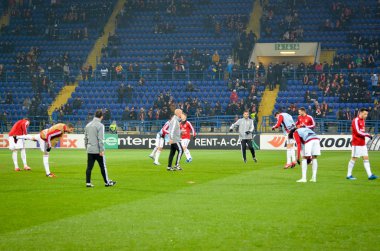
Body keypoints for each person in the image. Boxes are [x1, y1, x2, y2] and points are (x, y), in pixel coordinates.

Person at [84, 110, 116, 187]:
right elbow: (100, 139)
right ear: (101, 116)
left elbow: (85, 138)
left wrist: (87, 148)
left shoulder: (87, 125)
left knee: (89, 167)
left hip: (90, 149)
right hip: (98, 150)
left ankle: (88, 183)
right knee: (103, 167)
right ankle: (107, 182)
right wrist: (101, 150)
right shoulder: (100, 126)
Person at [346, 108, 377, 180]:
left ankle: (370, 175)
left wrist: (366, 135)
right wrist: (367, 134)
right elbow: (357, 132)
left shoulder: (363, 120)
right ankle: (348, 175)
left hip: (362, 143)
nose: (366, 116)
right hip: (357, 143)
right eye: (365, 114)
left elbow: (362, 131)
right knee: (354, 158)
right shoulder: (355, 120)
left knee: (366, 158)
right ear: (361, 113)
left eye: (367, 114)